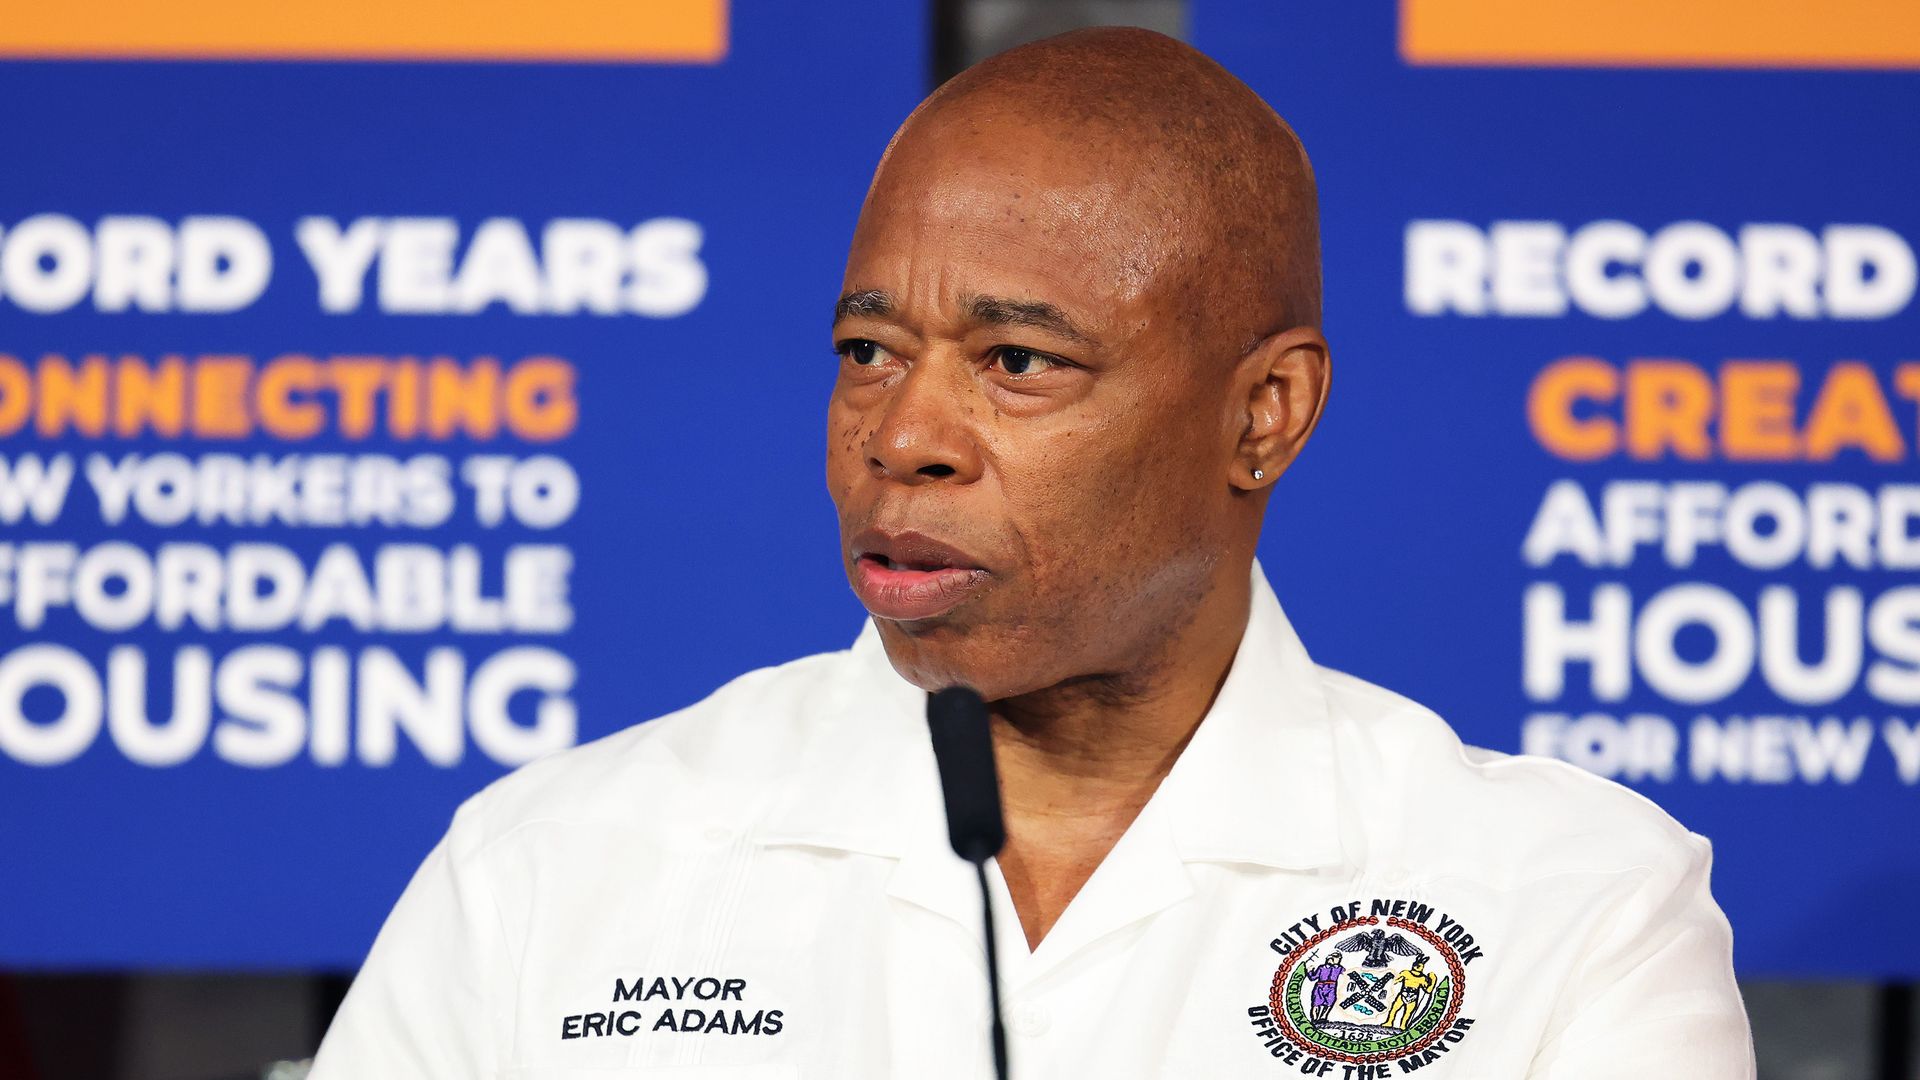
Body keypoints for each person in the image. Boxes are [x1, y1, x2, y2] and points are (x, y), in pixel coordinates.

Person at [311, 27, 1755, 1079]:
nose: (904, 434)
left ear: (1267, 413)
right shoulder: (553, 868)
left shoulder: (1571, 904)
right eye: (868, 350)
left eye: (1017, 361)